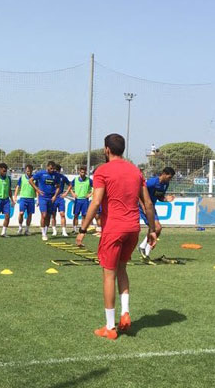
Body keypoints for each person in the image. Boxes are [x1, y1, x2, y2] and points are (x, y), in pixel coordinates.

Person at [76, 133, 157, 340]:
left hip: (114, 229)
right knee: (122, 269)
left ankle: (110, 327)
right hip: (133, 229)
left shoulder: (102, 170)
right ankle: (125, 312)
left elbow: (95, 203)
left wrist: (83, 229)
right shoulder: (135, 171)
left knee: (108, 275)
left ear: (106, 149)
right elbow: (147, 203)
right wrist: (152, 230)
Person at [138, 167, 176, 259]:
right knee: (156, 227)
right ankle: (144, 250)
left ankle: (144, 248)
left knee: (158, 228)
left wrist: (166, 199)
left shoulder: (165, 184)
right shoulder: (152, 182)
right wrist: (143, 207)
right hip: (143, 206)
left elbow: (159, 197)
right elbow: (138, 193)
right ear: (163, 174)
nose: (169, 179)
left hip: (151, 207)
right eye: (169, 177)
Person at [33, 161, 60, 241]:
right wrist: (37, 189)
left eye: (54, 169)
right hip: (43, 197)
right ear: (47, 167)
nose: (52, 170)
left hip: (51, 198)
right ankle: (43, 233)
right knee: (44, 215)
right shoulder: (41, 173)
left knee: (49, 216)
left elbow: (58, 186)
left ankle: (45, 231)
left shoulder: (56, 175)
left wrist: (55, 196)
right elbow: (31, 180)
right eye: (51, 168)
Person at [13, 164, 38, 235]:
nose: (28, 172)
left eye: (29, 171)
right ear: (25, 171)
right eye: (27, 171)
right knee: (21, 213)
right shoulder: (22, 178)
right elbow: (18, 187)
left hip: (31, 198)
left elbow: (37, 189)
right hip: (23, 198)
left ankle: (27, 230)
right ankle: (20, 227)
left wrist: (38, 199)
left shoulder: (34, 179)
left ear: (32, 171)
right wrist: (15, 196)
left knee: (30, 214)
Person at [69, 166, 93, 234]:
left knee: (84, 216)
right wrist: (72, 193)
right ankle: (74, 229)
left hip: (85, 200)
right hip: (77, 200)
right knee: (76, 215)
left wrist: (90, 194)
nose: (83, 173)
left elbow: (96, 187)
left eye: (84, 172)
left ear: (86, 172)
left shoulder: (89, 180)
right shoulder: (75, 179)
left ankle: (83, 230)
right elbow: (70, 187)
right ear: (79, 172)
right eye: (81, 172)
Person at [50, 164, 72, 237]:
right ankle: (54, 231)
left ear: (59, 171)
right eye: (55, 170)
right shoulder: (51, 177)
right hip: (53, 197)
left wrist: (66, 193)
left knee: (62, 214)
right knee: (53, 215)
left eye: (57, 170)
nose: (56, 172)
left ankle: (64, 231)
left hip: (60, 198)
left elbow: (70, 185)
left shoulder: (63, 177)